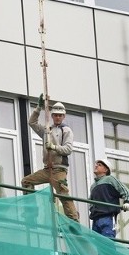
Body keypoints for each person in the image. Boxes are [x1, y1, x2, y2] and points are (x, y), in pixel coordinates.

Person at [21, 94, 79, 222]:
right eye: (55, 115)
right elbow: (32, 122)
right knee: (26, 182)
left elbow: (68, 149)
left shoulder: (66, 130)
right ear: (52, 116)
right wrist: (39, 108)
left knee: (63, 194)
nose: (57, 117)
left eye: (60, 115)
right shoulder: (47, 130)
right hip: (47, 169)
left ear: (63, 116)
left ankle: (74, 222)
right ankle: (31, 211)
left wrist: (54, 147)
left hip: (59, 170)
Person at [89, 158, 129, 238]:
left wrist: (127, 201)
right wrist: (92, 210)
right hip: (96, 219)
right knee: (98, 245)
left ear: (105, 169)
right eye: (96, 164)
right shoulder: (93, 186)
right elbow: (91, 201)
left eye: (99, 165)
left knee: (108, 242)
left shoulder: (110, 179)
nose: (96, 166)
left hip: (108, 217)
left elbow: (124, 190)